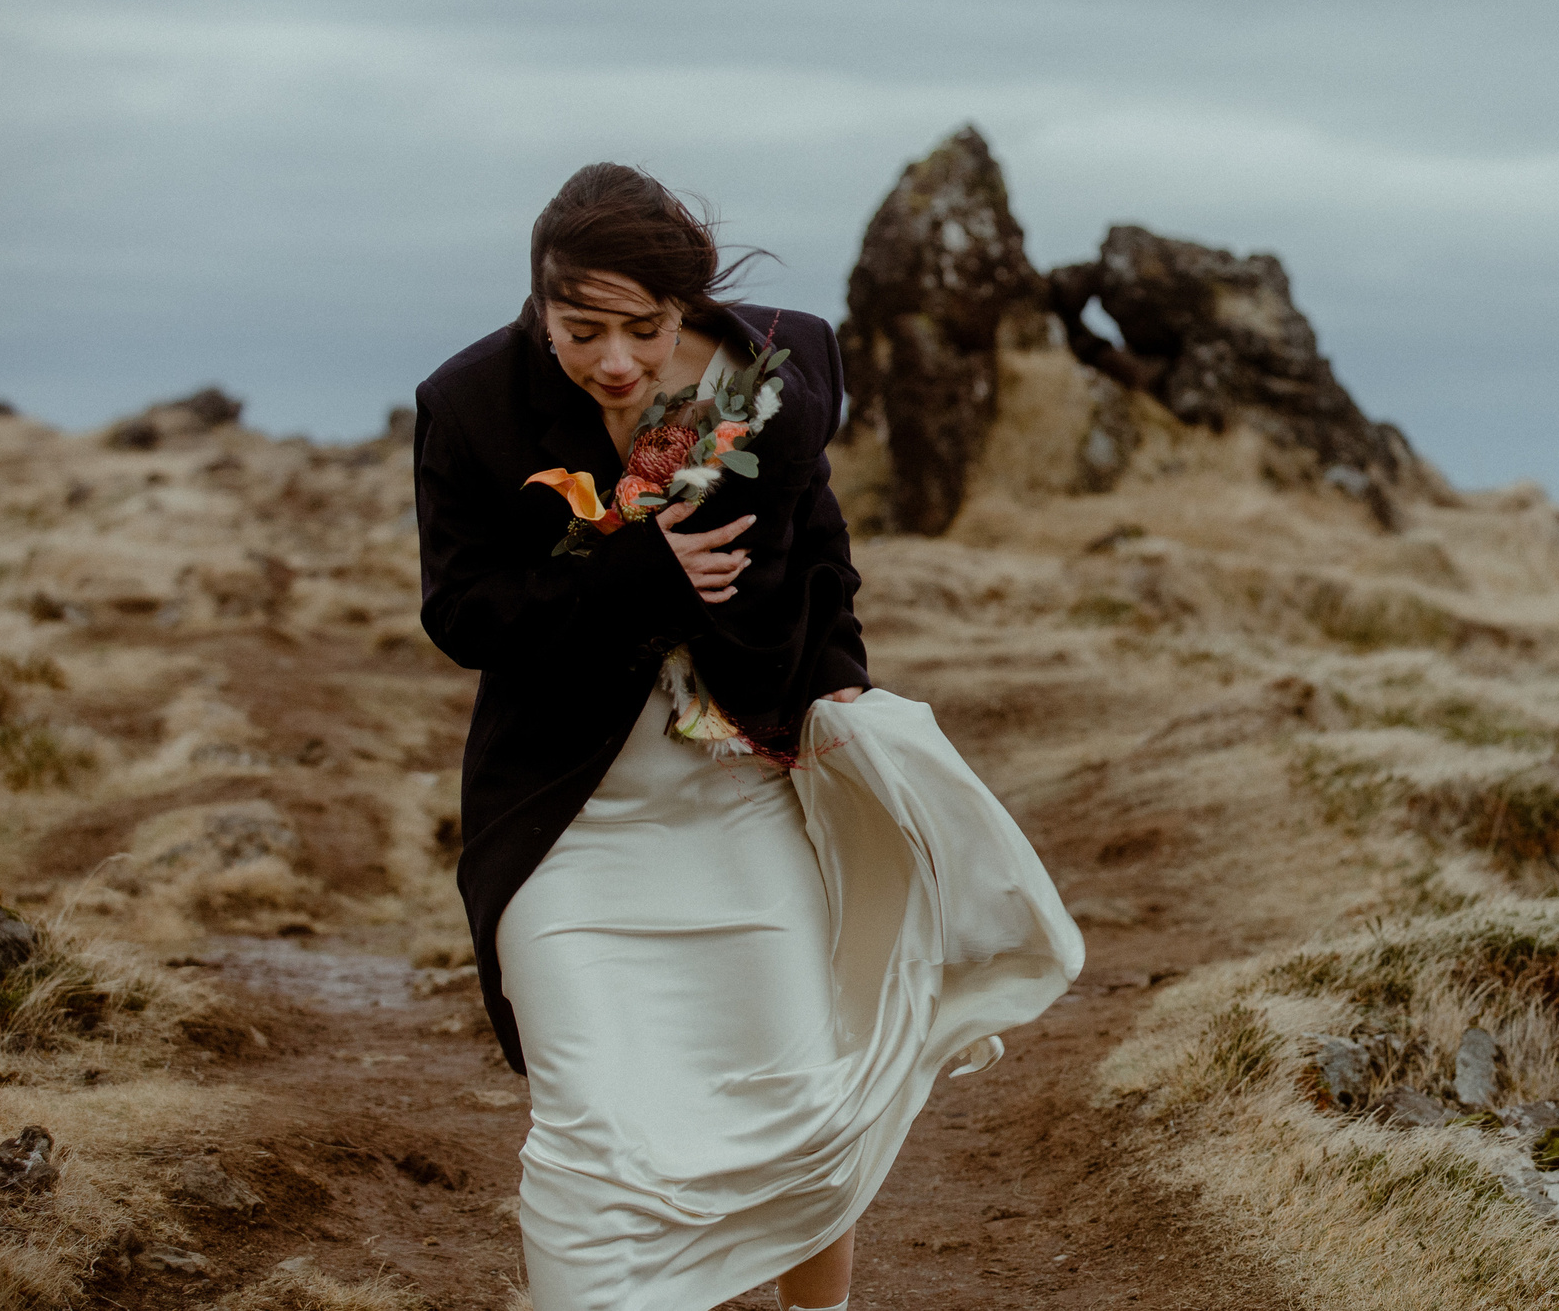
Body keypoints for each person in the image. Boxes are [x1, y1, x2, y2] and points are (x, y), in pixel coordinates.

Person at [413, 165, 1076, 1311]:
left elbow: (821, 557)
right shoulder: (469, 404)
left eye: (644, 329)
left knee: (800, 1109)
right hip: (568, 827)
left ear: (689, 303)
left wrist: (840, 692)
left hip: (741, 801)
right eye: (581, 330)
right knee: (590, 1127)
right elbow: (462, 614)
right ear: (539, 301)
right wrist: (636, 574)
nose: (615, 361)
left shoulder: (785, 368)